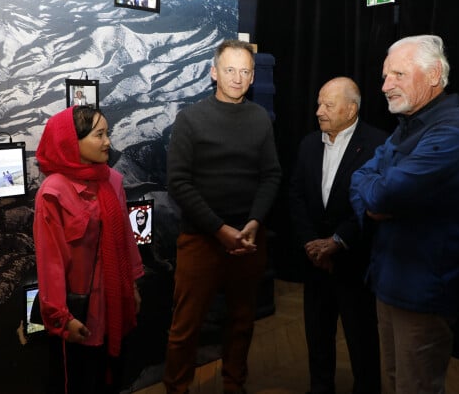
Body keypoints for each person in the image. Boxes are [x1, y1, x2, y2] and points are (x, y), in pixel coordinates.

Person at [349, 34, 459, 394]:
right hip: (389, 279)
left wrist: (376, 200)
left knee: (417, 387)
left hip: (423, 291)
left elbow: (382, 193)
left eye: (397, 74)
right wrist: (374, 201)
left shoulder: (456, 132)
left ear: (432, 76)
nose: (385, 86)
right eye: (385, 76)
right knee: (395, 381)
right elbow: (360, 178)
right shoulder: (411, 125)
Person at [163, 39, 282, 394]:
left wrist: (254, 223)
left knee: (242, 321)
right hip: (201, 239)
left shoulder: (260, 118)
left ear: (252, 78)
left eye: (246, 71)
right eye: (230, 69)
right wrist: (219, 229)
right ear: (214, 72)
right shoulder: (190, 119)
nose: (238, 77)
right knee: (186, 326)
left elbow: (271, 175)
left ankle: (234, 384)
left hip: (248, 239)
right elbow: (178, 183)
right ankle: (177, 388)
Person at [34, 105, 144, 394]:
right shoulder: (53, 192)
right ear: (73, 141)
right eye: (99, 135)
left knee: (112, 376)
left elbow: (126, 239)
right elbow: (51, 263)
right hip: (81, 311)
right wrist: (61, 318)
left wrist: (131, 285)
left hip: (114, 300)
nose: (108, 142)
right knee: (80, 379)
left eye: (107, 133)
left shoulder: (111, 181)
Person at [289, 77, 387, 394]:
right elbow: (296, 197)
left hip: (353, 263)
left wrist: (336, 243)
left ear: (351, 108)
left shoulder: (378, 145)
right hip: (314, 262)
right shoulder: (308, 144)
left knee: (362, 341)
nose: (318, 111)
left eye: (328, 105)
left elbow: (374, 204)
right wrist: (311, 245)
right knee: (317, 335)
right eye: (319, 103)